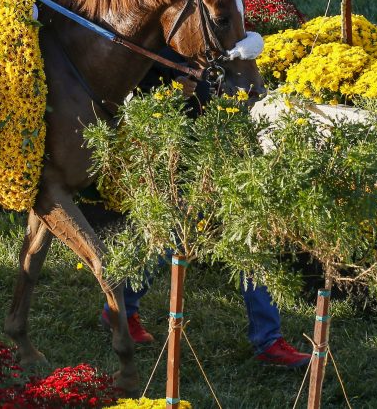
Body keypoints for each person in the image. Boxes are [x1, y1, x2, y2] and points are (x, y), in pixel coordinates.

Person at [100, 52, 311, 369]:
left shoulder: (221, 36)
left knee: (250, 241)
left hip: (226, 153)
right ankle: (120, 310)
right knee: (167, 242)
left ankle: (269, 340)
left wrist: (243, 90)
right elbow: (141, 104)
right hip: (179, 162)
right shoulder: (160, 44)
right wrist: (172, 94)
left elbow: (245, 79)